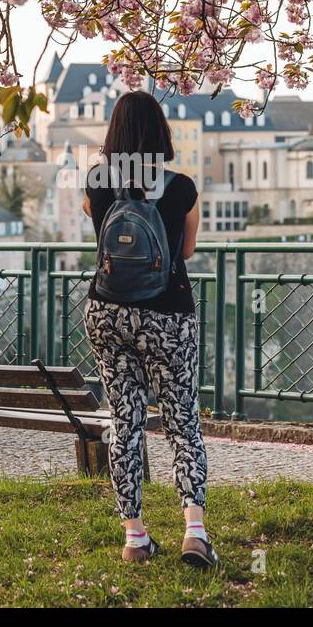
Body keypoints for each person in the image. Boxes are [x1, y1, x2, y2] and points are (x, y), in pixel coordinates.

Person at [82, 91, 215, 569]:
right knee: (182, 421)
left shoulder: (97, 184)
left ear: (114, 135)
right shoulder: (182, 187)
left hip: (107, 311)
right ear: (161, 132)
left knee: (125, 422)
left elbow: (100, 236)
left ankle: (134, 537)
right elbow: (187, 252)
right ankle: (194, 533)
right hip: (168, 315)